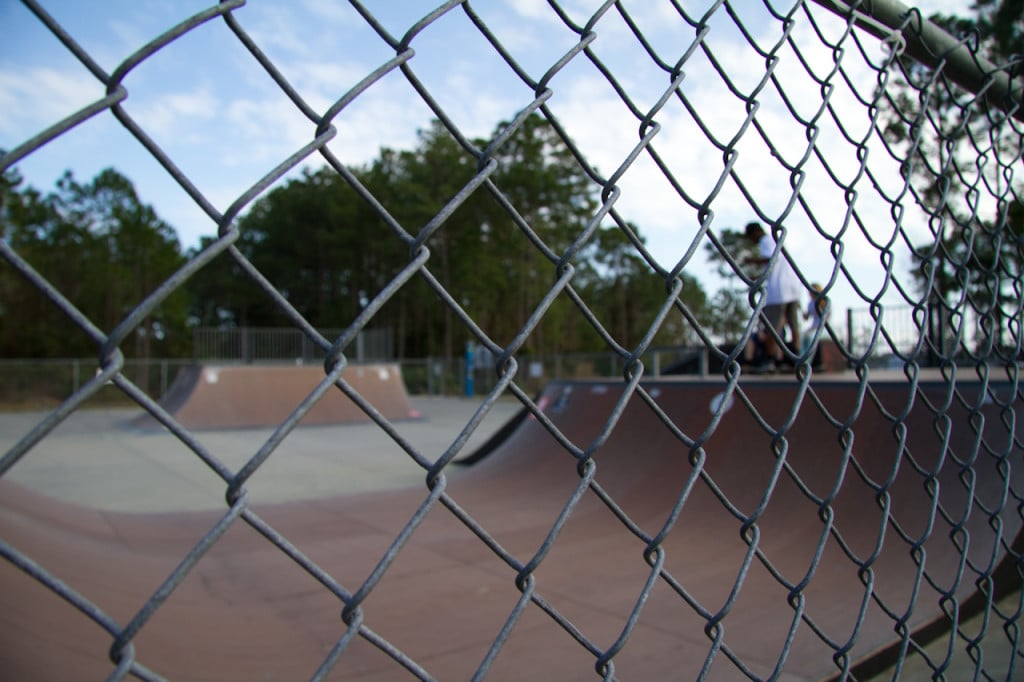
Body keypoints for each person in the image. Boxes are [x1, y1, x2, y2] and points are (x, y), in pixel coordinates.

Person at [744, 221, 802, 372]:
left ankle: (770, 361)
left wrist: (752, 260)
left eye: (751, 237)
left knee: (772, 328)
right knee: (793, 325)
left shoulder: (765, 240)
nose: (753, 241)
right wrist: (758, 276)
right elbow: (774, 267)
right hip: (793, 286)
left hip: (778, 291)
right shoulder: (776, 240)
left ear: (756, 232)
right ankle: (796, 359)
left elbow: (771, 259)